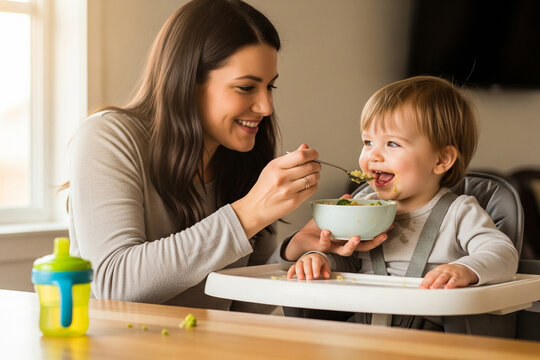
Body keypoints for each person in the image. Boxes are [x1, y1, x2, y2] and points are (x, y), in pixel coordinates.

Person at [65, 0, 385, 312]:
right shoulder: (108, 137)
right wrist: (248, 213)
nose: (266, 107)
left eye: (269, 87)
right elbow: (113, 283)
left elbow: (240, 308)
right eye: (246, 87)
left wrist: (290, 252)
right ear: (188, 82)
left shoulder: (244, 157)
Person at [285, 76, 518, 326]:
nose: (372, 155)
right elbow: (350, 259)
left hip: (428, 332)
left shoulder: (459, 212)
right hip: (361, 325)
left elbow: (503, 254)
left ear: (441, 160)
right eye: (368, 142)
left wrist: (466, 270)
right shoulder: (361, 205)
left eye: (392, 143)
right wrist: (322, 260)